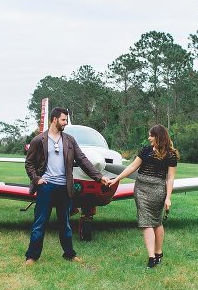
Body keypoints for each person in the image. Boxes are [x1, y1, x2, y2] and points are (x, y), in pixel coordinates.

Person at [24, 107, 111, 265]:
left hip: (65, 188)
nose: (65, 123)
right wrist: (36, 179)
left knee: (65, 224)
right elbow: (29, 163)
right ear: (54, 119)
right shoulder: (38, 140)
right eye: (63, 120)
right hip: (46, 187)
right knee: (40, 223)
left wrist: (99, 177)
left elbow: (83, 160)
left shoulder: (69, 140)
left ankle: (69, 254)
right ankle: (32, 257)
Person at [111, 124, 178, 268]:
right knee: (145, 222)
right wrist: (116, 179)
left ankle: (158, 252)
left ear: (158, 137)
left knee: (157, 222)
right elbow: (132, 167)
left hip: (158, 190)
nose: (149, 138)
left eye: (151, 135)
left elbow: (170, 177)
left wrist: (168, 197)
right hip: (141, 189)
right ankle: (151, 257)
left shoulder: (171, 155)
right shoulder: (145, 150)